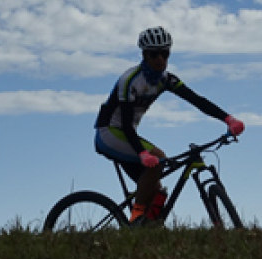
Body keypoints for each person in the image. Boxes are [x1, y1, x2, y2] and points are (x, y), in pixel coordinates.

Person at [93, 26, 245, 224]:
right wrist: (142, 153)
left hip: (127, 135)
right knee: (159, 158)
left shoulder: (166, 80)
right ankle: (136, 216)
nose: (160, 59)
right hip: (110, 133)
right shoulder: (129, 80)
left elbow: (197, 100)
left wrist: (228, 119)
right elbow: (126, 125)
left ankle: (146, 229)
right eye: (154, 54)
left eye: (165, 54)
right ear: (144, 55)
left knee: (157, 191)